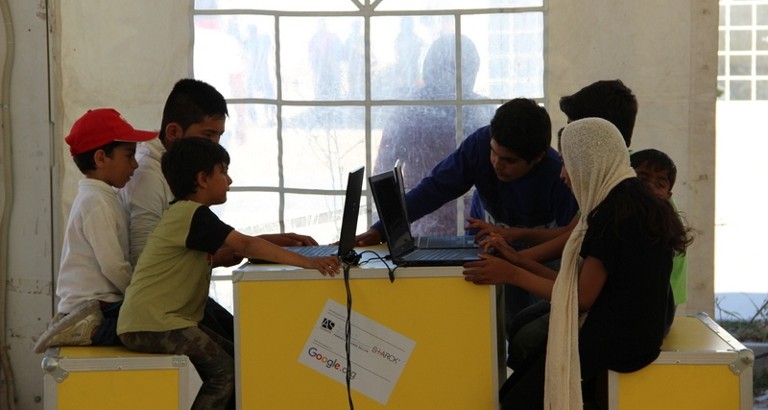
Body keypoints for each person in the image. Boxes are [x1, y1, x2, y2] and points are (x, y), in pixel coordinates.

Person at [463, 118, 691, 409]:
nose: (562, 175)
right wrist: (516, 259)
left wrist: (511, 274)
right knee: (517, 384)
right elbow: (578, 287)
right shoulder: (627, 200)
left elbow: (582, 298)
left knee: (515, 400)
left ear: (588, 163)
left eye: (567, 164)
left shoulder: (614, 214)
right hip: (629, 328)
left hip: (624, 341)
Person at [117, 137, 340, 410]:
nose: (230, 180)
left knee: (240, 360)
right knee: (224, 373)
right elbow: (244, 244)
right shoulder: (193, 215)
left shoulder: (186, 214)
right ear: (203, 178)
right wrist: (307, 263)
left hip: (161, 322)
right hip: (153, 325)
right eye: (223, 171)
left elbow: (230, 252)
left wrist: (281, 240)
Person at [118, 78, 318, 343]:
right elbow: (145, 261)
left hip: (171, 304)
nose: (215, 146)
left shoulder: (173, 177)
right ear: (174, 131)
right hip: (158, 314)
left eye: (219, 137)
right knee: (240, 357)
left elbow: (185, 251)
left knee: (242, 346)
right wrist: (306, 262)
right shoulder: (149, 177)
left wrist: (263, 243)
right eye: (208, 136)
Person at [358, 98, 579, 329]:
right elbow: (434, 188)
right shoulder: (479, 145)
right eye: (493, 153)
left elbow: (567, 238)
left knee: (541, 323)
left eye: (509, 161)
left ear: (537, 158)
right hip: (494, 241)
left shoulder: (559, 175)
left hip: (545, 251)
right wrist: (380, 229)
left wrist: (517, 256)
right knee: (502, 324)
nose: (496, 164)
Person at [33, 108, 156, 353]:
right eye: (129, 156)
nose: (135, 164)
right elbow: (113, 265)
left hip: (102, 303)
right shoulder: (95, 202)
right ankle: (85, 329)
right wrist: (141, 296)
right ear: (101, 158)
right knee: (160, 326)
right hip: (93, 307)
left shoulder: (103, 197)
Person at [374, 33, 495, 236]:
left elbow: (383, 176)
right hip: (423, 223)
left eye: (468, 68)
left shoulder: (482, 111)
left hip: (470, 226)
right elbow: (384, 178)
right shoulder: (409, 113)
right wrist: (384, 228)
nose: (464, 75)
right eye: (455, 68)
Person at [631, 148, 688, 307]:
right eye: (642, 178)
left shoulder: (659, 230)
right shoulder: (621, 216)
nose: (650, 186)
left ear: (668, 196)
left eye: (660, 184)